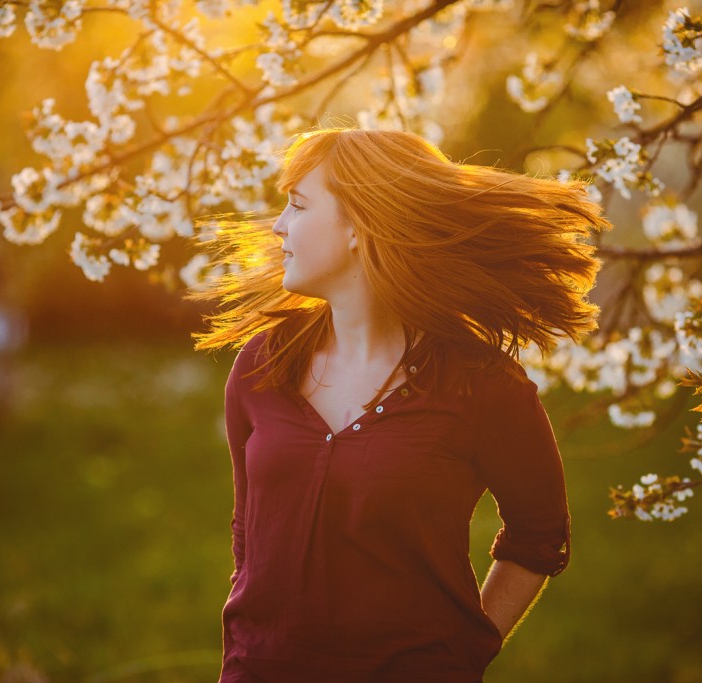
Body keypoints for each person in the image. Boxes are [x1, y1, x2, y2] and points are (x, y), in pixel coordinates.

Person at [193, 127, 609, 682]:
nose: (278, 226)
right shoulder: (261, 365)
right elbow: (250, 532)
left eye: (297, 205)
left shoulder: (483, 386)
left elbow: (539, 536)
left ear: (359, 228)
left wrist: (465, 650)